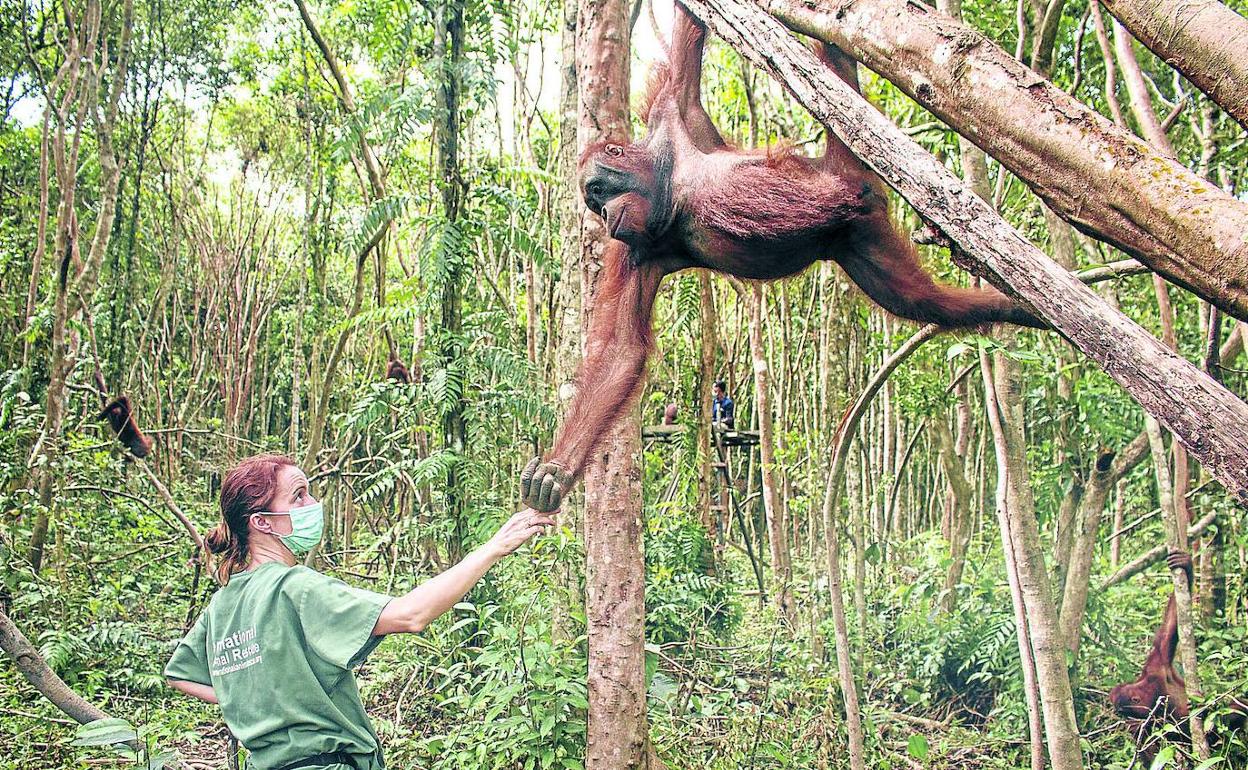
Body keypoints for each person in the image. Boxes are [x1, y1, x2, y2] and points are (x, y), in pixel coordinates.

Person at [165, 454, 553, 770]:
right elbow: (410, 614)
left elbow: (180, 674)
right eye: (298, 496)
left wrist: (253, 697)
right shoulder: (295, 587)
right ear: (262, 522)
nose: (313, 505)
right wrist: (494, 547)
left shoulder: (224, 603)